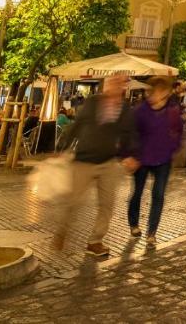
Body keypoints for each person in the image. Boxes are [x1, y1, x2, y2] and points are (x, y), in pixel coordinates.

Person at [54, 75, 137, 257]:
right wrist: (63, 147)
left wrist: (130, 155)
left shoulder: (124, 108)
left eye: (118, 84)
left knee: (107, 204)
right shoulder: (92, 102)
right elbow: (76, 125)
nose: (114, 86)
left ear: (122, 87)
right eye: (111, 83)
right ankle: (62, 231)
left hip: (108, 161)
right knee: (74, 201)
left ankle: (95, 241)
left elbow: (127, 133)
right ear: (105, 86)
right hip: (84, 159)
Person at [127, 76, 182, 244]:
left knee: (158, 195)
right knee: (137, 192)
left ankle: (152, 232)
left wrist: (172, 149)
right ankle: (134, 224)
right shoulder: (140, 111)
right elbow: (131, 134)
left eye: (160, 91)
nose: (155, 95)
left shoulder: (172, 111)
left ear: (165, 92)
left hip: (163, 160)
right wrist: (131, 155)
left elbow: (179, 132)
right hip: (142, 159)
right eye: (153, 91)